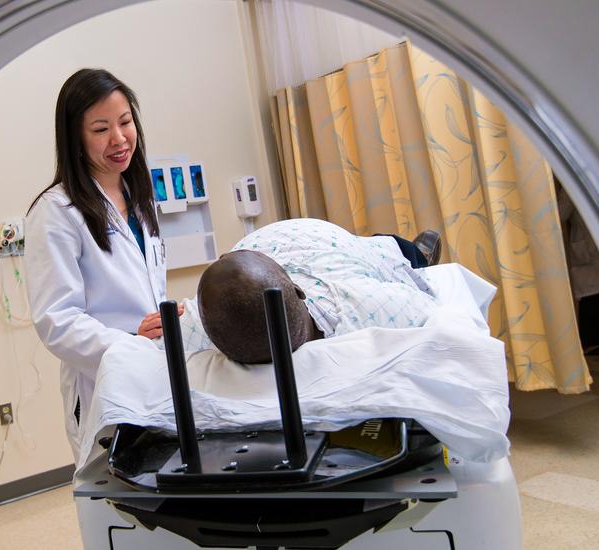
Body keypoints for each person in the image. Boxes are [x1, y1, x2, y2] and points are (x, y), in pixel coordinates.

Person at [24, 68, 178, 456]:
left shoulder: (142, 199)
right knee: (111, 498)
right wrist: (130, 343)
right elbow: (56, 320)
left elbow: (145, 289)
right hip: (102, 382)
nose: (119, 138)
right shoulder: (56, 211)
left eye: (125, 122)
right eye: (100, 129)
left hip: (155, 370)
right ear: (75, 137)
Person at [192, 218, 440, 364]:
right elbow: (437, 311)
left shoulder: (192, 325)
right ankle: (415, 254)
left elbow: (157, 340)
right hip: (331, 247)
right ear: (300, 291)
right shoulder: (373, 304)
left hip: (269, 251)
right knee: (388, 252)